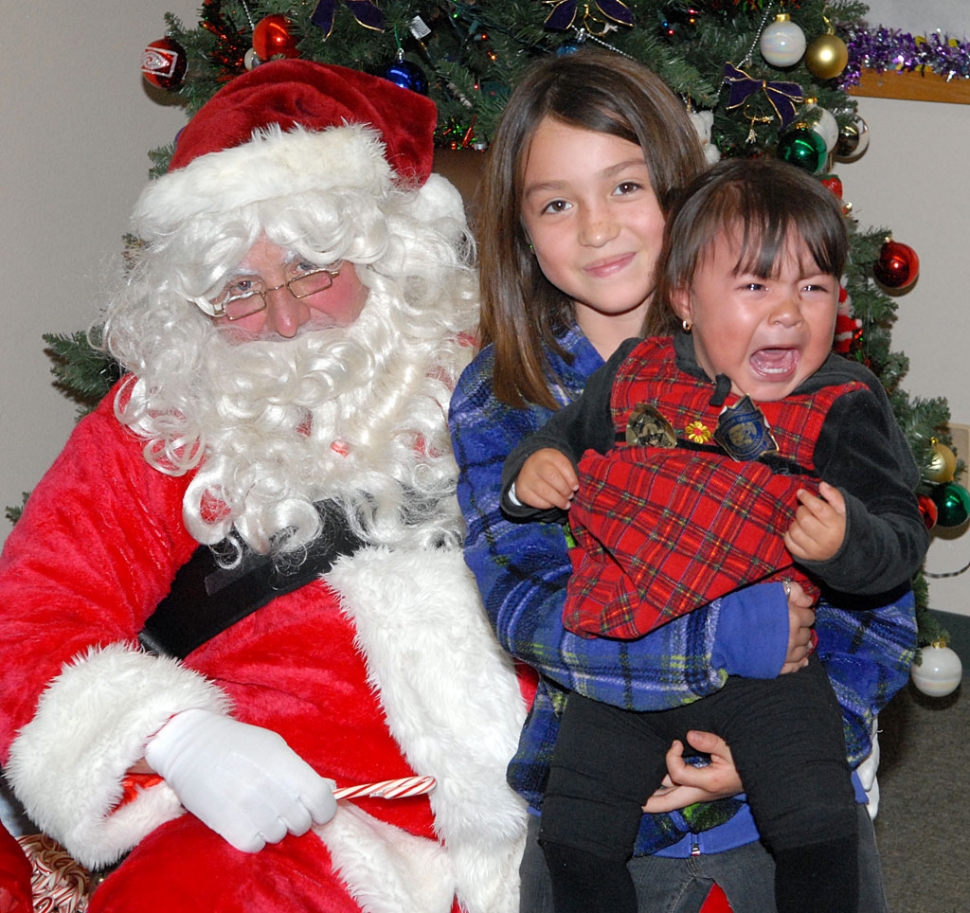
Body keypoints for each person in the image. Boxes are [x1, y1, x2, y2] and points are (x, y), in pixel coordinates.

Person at [0, 60, 528, 913]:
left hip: (562, 808)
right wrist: (180, 739)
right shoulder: (158, 419)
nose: (284, 321)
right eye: (239, 290)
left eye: (314, 269)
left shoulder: (497, 374)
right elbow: (31, 613)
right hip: (304, 827)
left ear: (381, 254)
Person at [447, 49, 917, 913]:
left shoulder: (792, 364)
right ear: (519, 228)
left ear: (680, 191)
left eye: (626, 187)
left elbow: (879, 611)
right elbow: (525, 605)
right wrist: (719, 645)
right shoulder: (500, 394)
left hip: (785, 798)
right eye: (557, 203)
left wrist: (799, 740)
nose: (597, 228)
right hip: (601, 800)